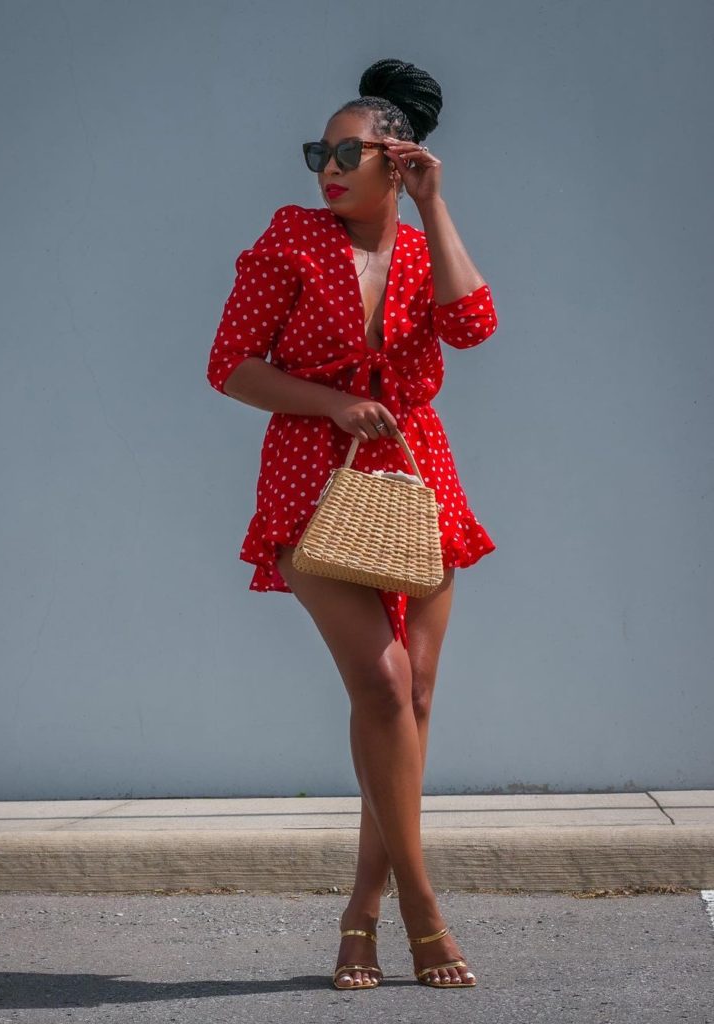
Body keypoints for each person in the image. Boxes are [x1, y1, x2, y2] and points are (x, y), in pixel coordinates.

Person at [206, 57, 498, 991]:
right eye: (316, 153)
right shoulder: (291, 239)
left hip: (416, 480)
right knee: (378, 685)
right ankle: (422, 907)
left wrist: (434, 207)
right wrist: (331, 404)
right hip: (311, 476)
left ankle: (360, 912)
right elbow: (231, 365)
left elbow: (474, 325)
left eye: (347, 152)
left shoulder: (417, 250)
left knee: (411, 700)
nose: (327, 169)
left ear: (397, 160)